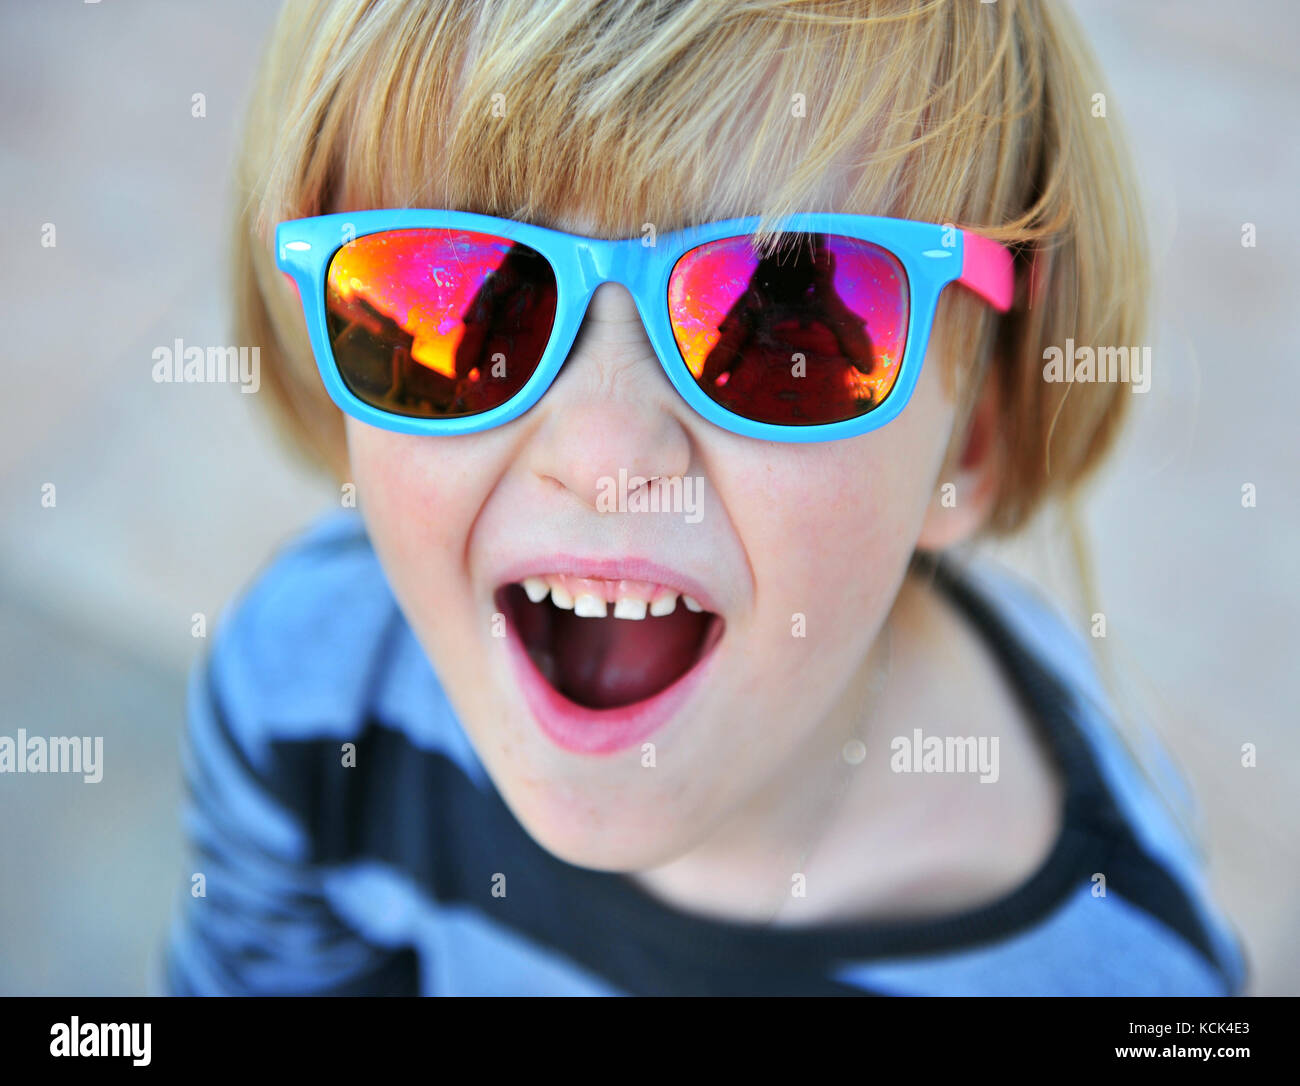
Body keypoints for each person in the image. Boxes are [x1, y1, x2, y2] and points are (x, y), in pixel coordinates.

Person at [160, 0, 1245, 996]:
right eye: (465, 299)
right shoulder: (304, 692)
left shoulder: (1113, 969)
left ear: (972, 430)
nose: (602, 453)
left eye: (783, 323)